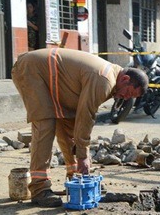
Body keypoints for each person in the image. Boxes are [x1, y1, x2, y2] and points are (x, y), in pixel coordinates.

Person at [11, 48, 148, 207]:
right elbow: (86, 116)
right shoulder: (104, 80)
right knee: (45, 125)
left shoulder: (112, 78)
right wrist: (83, 155)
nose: (126, 98)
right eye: (129, 93)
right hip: (32, 70)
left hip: (52, 79)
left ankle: (77, 177)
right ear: (125, 79)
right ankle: (39, 188)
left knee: (68, 124)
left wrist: (82, 154)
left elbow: (78, 119)